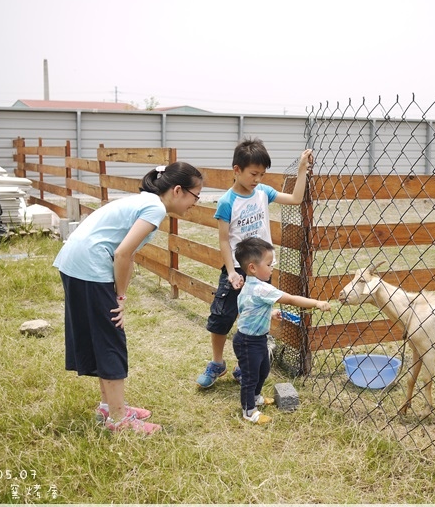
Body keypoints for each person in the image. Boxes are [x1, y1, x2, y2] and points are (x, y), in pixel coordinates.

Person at [54, 162, 203, 435]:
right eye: (196, 195)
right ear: (178, 190)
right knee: (111, 338)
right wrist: (119, 297)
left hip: (75, 261)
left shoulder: (145, 201)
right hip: (89, 266)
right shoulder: (155, 208)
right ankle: (119, 420)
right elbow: (122, 253)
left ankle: (110, 406)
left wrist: (120, 295)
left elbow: (128, 255)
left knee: (102, 335)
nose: (196, 202)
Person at [196, 138, 314, 388]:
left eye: (262, 174)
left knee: (255, 320)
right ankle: (217, 363)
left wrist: (302, 168)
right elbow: (224, 240)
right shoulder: (227, 201)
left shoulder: (263, 192)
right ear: (236, 170)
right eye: (253, 173)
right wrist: (230, 272)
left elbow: (295, 198)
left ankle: (243, 366)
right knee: (222, 317)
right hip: (238, 269)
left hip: (261, 270)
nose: (257, 179)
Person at [232, 237, 331, 424]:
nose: (272, 268)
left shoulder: (248, 286)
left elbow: (248, 309)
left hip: (256, 338)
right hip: (248, 342)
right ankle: (249, 410)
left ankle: (256, 397)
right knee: (250, 376)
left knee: (263, 370)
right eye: (269, 264)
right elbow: (292, 299)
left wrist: (269, 313)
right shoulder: (262, 288)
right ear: (253, 267)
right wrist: (317, 303)